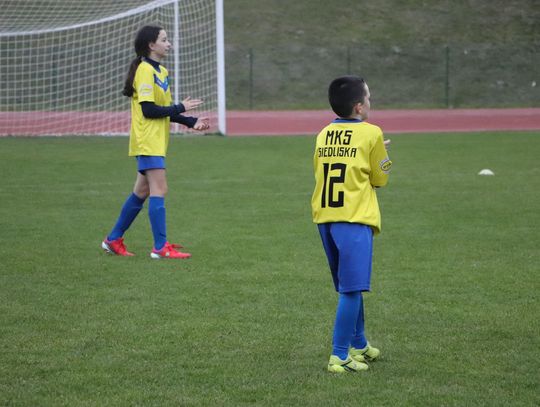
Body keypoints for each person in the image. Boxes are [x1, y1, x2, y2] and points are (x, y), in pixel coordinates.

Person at [102, 25, 210, 259]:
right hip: (147, 140)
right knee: (159, 189)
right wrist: (181, 107)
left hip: (156, 141)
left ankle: (113, 239)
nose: (169, 44)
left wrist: (191, 121)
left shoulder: (161, 71)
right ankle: (160, 247)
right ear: (151, 45)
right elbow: (149, 110)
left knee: (141, 191)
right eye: (164, 39)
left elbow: (164, 110)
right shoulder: (144, 70)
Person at [311, 76, 392, 373]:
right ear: (359, 106)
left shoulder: (323, 133)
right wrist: (381, 155)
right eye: (368, 97)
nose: (370, 102)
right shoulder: (371, 133)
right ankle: (339, 355)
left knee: (349, 287)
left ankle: (359, 344)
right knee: (352, 289)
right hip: (354, 218)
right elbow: (380, 179)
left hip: (326, 218)